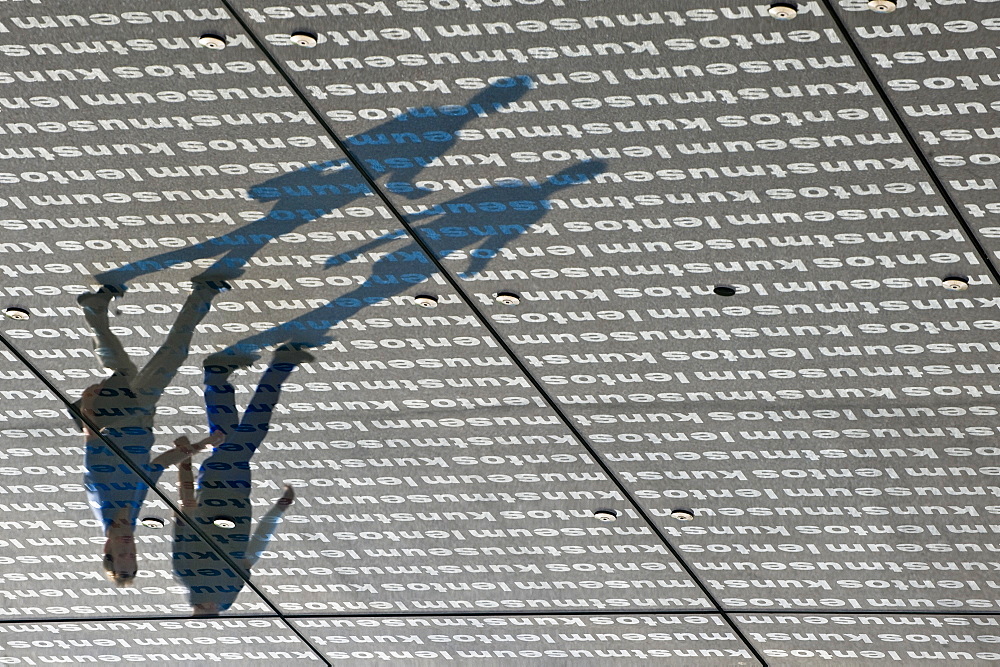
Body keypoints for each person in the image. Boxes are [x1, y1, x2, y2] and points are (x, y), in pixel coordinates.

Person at [76, 280, 225, 584]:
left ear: (107, 548)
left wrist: (88, 407)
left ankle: (203, 293)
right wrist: (201, 445)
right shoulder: (129, 517)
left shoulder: (103, 501)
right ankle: (93, 309)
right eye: (133, 556)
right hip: (141, 420)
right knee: (119, 366)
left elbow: (91, 444)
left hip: (128, 414)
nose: (129, 550)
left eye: (122, 554)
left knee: (173, 355)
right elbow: (156, 467)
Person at [171, 348, 308, 615]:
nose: (212, 607)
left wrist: (184, 461)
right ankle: (216, 377)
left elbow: (185, 511)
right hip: (234, 488)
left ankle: (280, 365)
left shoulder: (190, 574)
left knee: (254, 427)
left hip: (219, 483)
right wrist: (277, 510)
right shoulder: (222, 589)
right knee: (227, 432)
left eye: (207, 610)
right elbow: (252, 553)